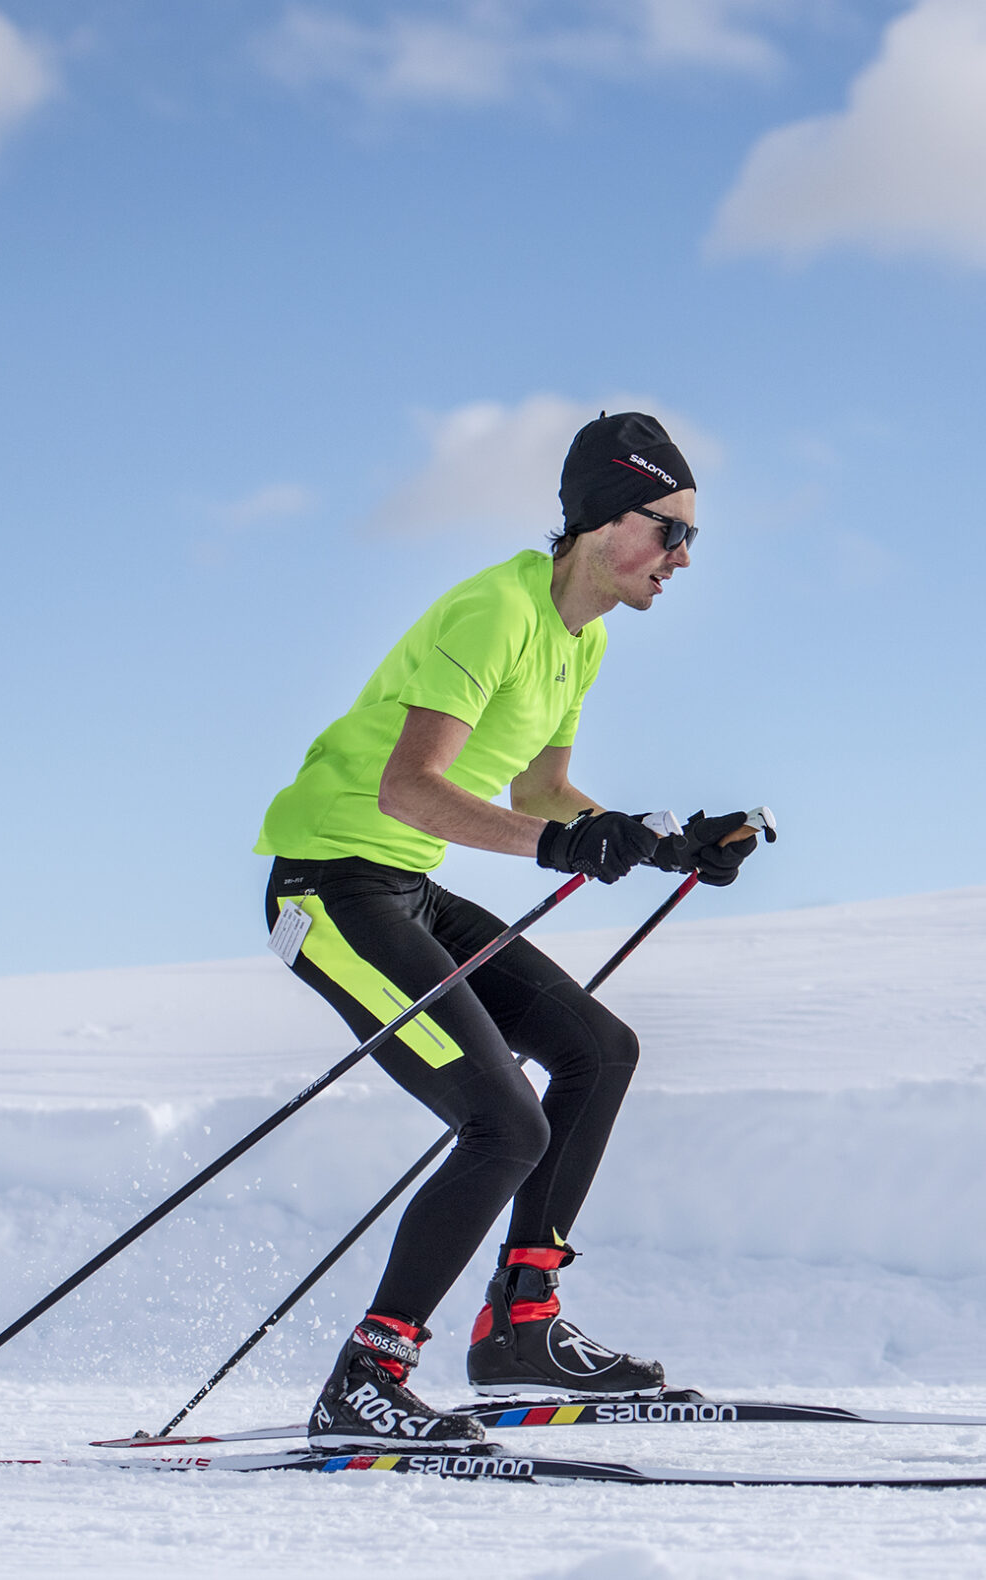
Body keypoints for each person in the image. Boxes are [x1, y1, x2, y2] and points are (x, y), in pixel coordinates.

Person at [253, 411, 763, 1450]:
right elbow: (409, 789)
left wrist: (656, 842)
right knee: (504, 1125)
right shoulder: (494, 612)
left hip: (404, 882)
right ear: (599, 519)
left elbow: (543, 790)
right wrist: (560, 846)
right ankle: (368, 1374)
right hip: (329, 888)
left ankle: (521, 1326)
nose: (681, 559)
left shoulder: (582, 636)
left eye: (691, 540)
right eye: (670, 531)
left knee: (597, 1050)